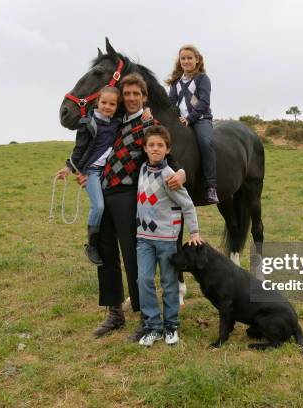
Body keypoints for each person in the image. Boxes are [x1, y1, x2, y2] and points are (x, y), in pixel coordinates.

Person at [81, 73, 187, 341]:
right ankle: (114, 313)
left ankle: (144, 316)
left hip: (130, 196)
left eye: (135, 94)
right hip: (105, 192)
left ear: (144, 97)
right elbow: (96, 148)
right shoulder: (115, 122)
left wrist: (181, 172)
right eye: (126, 94)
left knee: (132, 257)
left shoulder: (149, 123)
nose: (130, 99)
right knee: (106, 254)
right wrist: (83, 171)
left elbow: (165, 152)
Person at [135, 125, 203, 347]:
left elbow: (188, 205)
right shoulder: (142, 169)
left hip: (166, 239)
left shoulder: (169, 176)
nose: (155, 149)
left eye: (160, 146)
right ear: (144, 148)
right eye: (151, 145)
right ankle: (153, 326)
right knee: (144, 280)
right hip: (143, 238)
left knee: (169, 282)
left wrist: (194, 232)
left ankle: (171, 325)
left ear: (167, 149)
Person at [55, 86, 121, 265]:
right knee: (98, 206)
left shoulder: (117, 123)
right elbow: (79, 148)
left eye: (112, 104)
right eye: (104, 102)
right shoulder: (87, 123)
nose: (107, 107)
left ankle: (106, 243)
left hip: (108, 172)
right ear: (97, 102)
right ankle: (91, 245)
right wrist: (68, 167)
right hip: (91, 172)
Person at [167, 44, 218, 203]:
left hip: (200, 120)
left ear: (197, 60)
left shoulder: (202, 78)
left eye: (190, 58)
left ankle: (211, 186)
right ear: (179, 61)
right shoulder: (176, 82)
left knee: (205, 142)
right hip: (180, 122)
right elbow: (170, 104)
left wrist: (190, 118)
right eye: (183, 58)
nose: (186, 61)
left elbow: (204, 102)